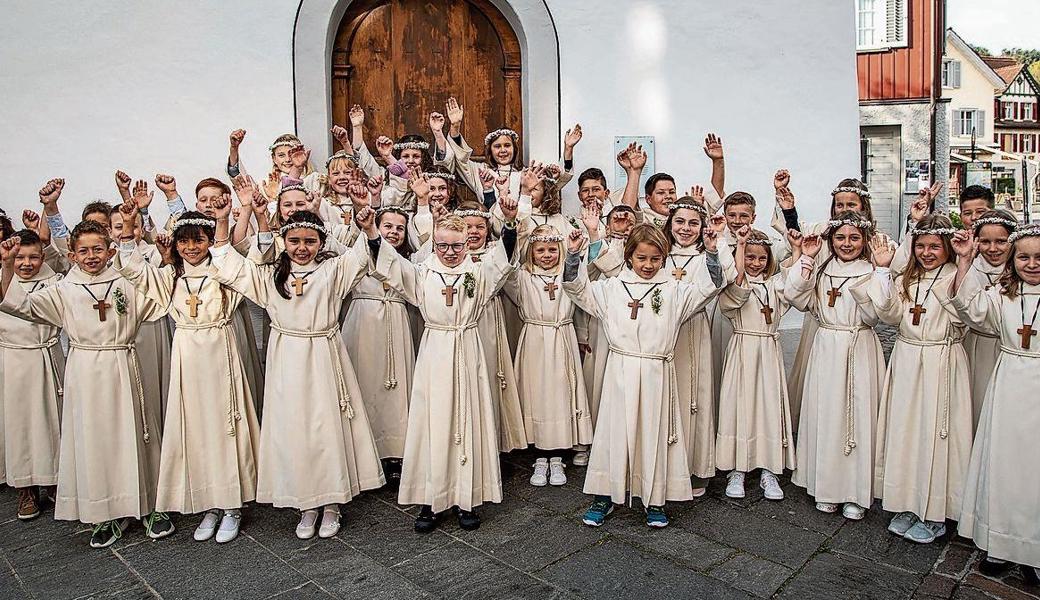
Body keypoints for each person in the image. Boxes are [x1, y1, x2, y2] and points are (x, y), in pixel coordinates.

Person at [209, 198, 385, 541]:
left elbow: (363, 257)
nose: (302, 248)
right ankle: (306, 503)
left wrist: (367, 220)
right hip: (287, 357)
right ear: (284, 241)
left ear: (321, 244)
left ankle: (331, 501)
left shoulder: (332, 271)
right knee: (296, 429)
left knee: (326, 426)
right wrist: (220, 222)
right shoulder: (270, 275)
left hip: (323, 353)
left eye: (310, 241)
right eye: (295, 241)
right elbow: (231, 267)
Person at [0, 221, 173, 548]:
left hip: (123, 362)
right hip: (85, 371)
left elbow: (160, 297)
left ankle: (150, 505)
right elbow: (18, 305)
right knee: (95, 440)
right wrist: (7, 264)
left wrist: (162, 259)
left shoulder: (125, 281)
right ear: (72, 254)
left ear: (110, 250)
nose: (91, 256)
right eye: (83, 250)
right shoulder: (63, 289)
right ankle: (103, 512)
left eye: (98, 249)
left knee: (136, 435)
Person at [564, 223, 731, 528]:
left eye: (655, 259)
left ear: (663, 259)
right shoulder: (612, 288)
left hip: (656, 371)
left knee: (655, 433)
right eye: (642, 258)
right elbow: (577, 289)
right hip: (621, 370)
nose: (648, 265)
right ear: (629, 257)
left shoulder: (674, 291)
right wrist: (574, 254)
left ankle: (654, 499)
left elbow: (709, 288)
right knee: (613, 433)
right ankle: (605, 495)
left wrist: (711, 252)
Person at [114, 199, 261, 545]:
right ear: (176, 244)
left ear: (210, 241)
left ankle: (232, 505)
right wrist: (128, 228)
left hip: (219, 350)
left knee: (225, 424)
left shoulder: (223, 270)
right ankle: (207, 501)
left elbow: (251, 266)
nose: (191, 248)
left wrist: (226, 221)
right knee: (194, 427)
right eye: (184, 241)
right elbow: (135, 271)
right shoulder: (170, 276)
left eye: (199, 240)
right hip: (186, 355)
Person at [372, 192, 521, 533]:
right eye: (443, 246)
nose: (450, 253)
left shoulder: (478, 273)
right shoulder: (422, 273)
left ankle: (467, 498)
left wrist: (510, 223)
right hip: (436, 351)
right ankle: (431, 500)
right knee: (432, 424)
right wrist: (370, 232)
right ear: (434, 243)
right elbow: (391, 266)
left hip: (467, 349)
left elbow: (503, 261)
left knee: (468, 420)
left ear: (467, 245)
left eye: (457, 246)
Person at [869, 215, 971, 544]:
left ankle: (935, 512)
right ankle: (908, 503)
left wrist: (965, 263)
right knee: (906, 432)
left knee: (935, 434)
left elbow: (965, 313)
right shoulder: (908, 278)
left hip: (941, 359)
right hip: (908, 358)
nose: (927, 253)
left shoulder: (958, 275)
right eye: (921, 246)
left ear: (948, 249)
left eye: (935, 247)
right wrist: (884, 270)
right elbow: (889, 313)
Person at [948, 223, 1040, 586]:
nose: (1032, 264)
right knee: (1004, 465)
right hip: (1008, 385)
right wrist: (966, 260)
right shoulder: (1001, 294)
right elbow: (968, 309)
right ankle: (1001, 546)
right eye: (1024, 257)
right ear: (1013, 261)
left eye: (1039, 257)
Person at [785, 213, 885, 521]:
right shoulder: (822, 269)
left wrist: (880, 272)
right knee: (826, 415)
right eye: (840, 238)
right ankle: (825, 486)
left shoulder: (871, 270)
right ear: (831, 240)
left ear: (864, 241)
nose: (847, 244)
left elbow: (875, 315)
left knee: (856, 417)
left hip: (858, 346)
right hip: (826, 346)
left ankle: (854, 492)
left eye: (854, 238)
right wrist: (806, 259)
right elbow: (796, 297)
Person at [505, 224, 593, 486]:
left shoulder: (567, 275)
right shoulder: (522, 276)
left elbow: (580, 293)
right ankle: (540, 456)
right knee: (537, 394)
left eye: (552, 249)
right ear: (531, 251)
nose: (546, 255)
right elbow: (505, 272)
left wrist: (580, 334)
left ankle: (557, 456)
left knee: (560, 394)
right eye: (540, 249)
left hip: (561, 337)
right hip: (534, 339)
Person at [717, 226, 800, 500]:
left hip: (768, 350)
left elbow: (796, 284)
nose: (755, 263)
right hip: (742, 349)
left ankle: (769, 469)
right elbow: (736, 293)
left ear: (769, 259)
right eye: (749, 257)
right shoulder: (735, 286)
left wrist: (798, 249)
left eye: (761, 258)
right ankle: (737, 468)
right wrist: (739, 246)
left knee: (768, 407)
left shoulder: (775, 284)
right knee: (740, 406)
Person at [341, 206, 418, 486]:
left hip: (395, 323)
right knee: (363, 385)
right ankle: (365, 453)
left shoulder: (409, 261)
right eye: (388, 226)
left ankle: (395, 454)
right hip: (362, 324)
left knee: (396, 392)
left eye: (400, 228)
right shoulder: (357, 254)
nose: (394, 232)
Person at [0, 228, 64, 521]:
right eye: (20, 257)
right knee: (21, 425)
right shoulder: (3, 279)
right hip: (16, 360)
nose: (26, 263)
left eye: (33, 257)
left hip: (48, 355)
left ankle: (53, 478)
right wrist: (5, 265)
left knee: (52, 420)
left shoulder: (53, 280)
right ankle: (25, 487)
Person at [961, 210, 1016, 429]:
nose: (993, 249)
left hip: (1008, 348)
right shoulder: (968, 267)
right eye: (985, 242)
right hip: (975, 345)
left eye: (1001, 241)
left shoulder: (1022, 271)